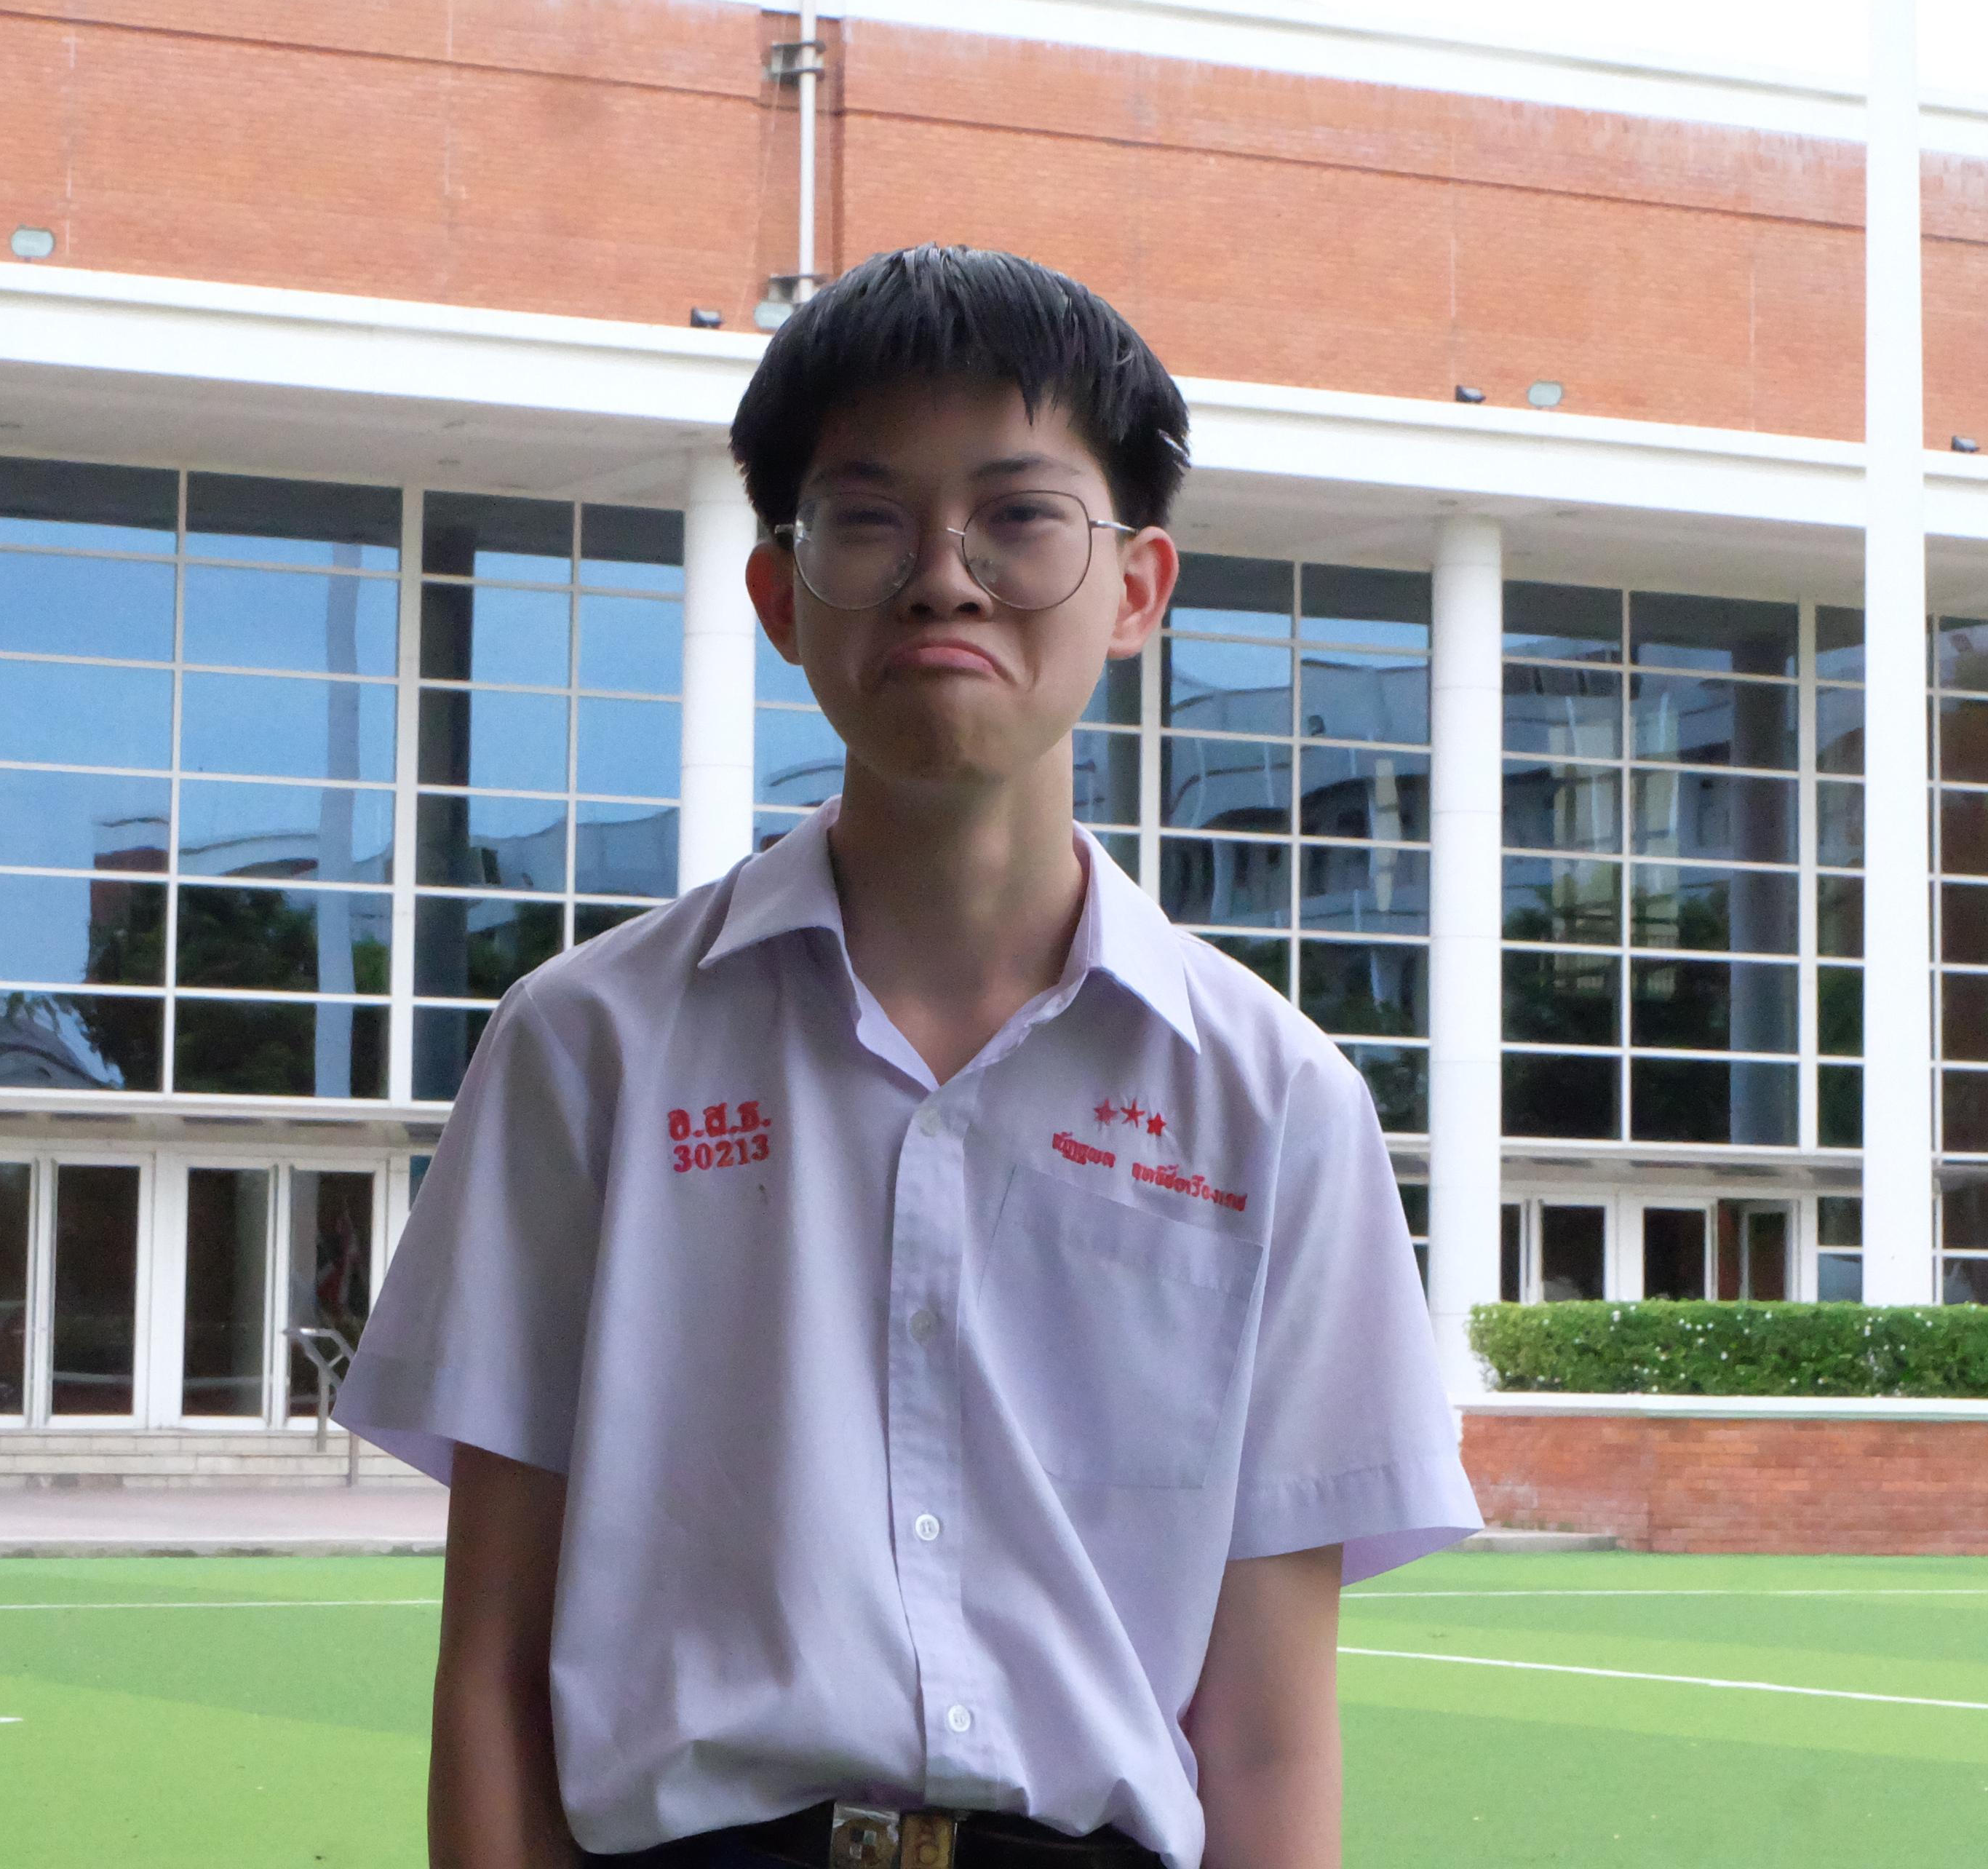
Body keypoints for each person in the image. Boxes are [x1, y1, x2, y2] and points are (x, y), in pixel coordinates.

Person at [337, 245, 1476, 1869]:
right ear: (779, 594)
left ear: (1138, 588)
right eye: (869, 520)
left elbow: (1271, 1736)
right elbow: (494, 1675)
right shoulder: (590, 1046)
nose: (946, 577)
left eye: (1021, 515)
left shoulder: (1274, 1100)